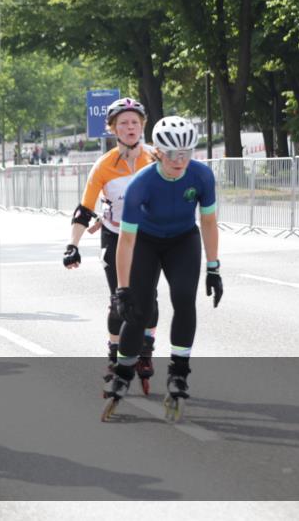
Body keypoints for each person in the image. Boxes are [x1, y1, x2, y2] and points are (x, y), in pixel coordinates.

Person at [101, 116, 223, 422]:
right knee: (138, 309)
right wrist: (122, 289)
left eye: (186, 153)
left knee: (183, 298)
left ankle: (178, 373)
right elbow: (126, 241)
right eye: (172, 154)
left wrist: (213, 267)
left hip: (183, 240)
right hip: (146, 242)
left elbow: (208, 222)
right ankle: (124, 371)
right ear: (158, 152)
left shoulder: (202, 176)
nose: (180, 161)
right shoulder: (141, 184)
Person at [64, 98, 159, 392]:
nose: (130, 128)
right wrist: (73, 245)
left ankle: (144, 353)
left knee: (149, 298)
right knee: (120, 300)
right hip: (115, 235)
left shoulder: (155, 158)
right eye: (123, 123)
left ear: (142, 126)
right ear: (113, 129)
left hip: (148, 236)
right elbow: (84, 209)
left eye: (134, 122)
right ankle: (114, 355)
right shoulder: (103, 166)